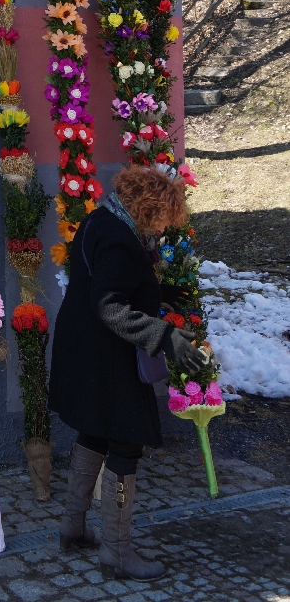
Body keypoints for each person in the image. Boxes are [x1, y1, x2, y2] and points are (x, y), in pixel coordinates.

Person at [49, 163, 211, 582]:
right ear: (147, 208)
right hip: (107, 354)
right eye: (162, 218)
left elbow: (106, 281)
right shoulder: (121, 238)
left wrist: (159, 292)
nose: (163, 227)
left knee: (94, 430)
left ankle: (72, 527)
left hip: (85, 346)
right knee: (125, 441)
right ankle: (117, 553)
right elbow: (111, 305)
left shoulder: (101, 218)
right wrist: (167, 338)